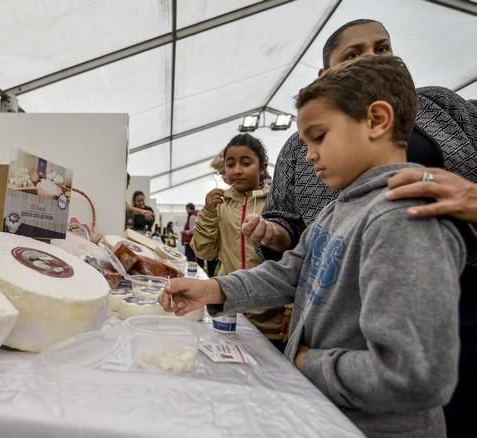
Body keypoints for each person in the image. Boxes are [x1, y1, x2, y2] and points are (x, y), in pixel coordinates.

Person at [160, 55, 465, 438]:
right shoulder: (339, 209)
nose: (308, 155)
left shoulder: (401, 221)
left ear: (377, 120)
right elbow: (292, 270)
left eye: (318, 137)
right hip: (328, 415)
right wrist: (216, 289)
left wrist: (308, 362)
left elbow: (414, 376)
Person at [249, 19, 477, 437]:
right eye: (353, 55)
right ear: (327, 74)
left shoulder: (444, 107)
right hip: (352, 332)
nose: (373, 59)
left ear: (380, 121)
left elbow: (412, 376)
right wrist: (276, 236)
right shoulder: (303, 151)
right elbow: (292, 235)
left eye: (382, 47)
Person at [190, 133, 289, 349]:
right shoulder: (220, 204)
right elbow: (205, 252)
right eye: (230, 164)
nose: (237, 170)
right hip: (229, 313)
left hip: (271, 317)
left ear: (262, 167)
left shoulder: (276, 202)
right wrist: (207, 212)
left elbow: (292, 258)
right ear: (223, 170)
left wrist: (290, 310)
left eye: (246, 163)